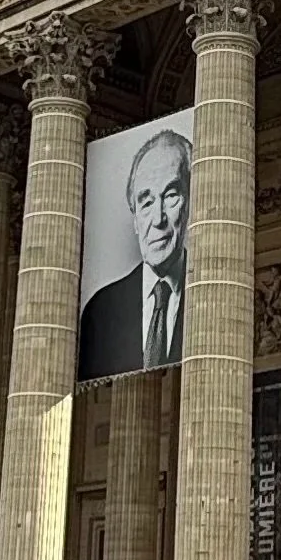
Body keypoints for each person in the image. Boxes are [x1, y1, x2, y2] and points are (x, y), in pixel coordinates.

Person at [77, 126, 190, 380]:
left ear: (190, 202)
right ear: (135, 219)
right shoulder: (100, 309)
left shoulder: (217, 295)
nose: (158, 219)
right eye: (147, 202)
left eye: (171, 195)